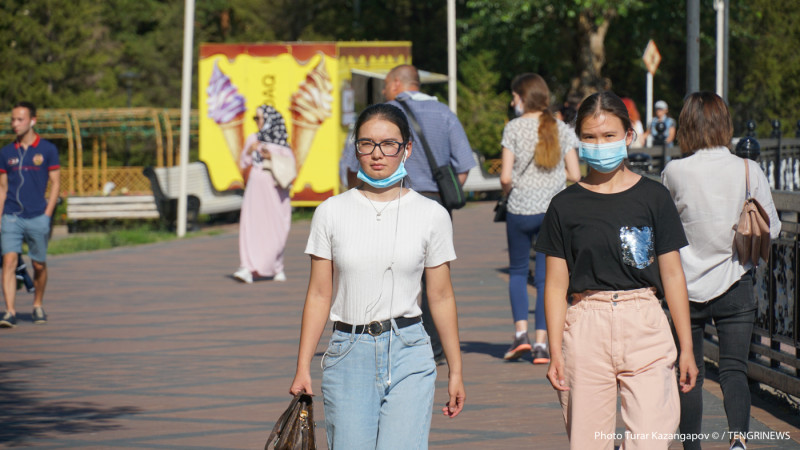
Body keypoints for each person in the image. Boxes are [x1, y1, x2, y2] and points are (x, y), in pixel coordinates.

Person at [290, 103, 465, 448]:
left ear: (407, 149)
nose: (377, 154)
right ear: (356, 148)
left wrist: (456, 370)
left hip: (410, 349)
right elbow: (320, 293)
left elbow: (441, 296)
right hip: (348, 351)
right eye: (367, 143)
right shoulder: (331, 212)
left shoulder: (432, 215)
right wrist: (302, 366)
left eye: (389, 144)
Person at [536, 91, 698, 449]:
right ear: (579, 141)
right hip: (584, 327)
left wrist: (686, 346)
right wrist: (555, 353)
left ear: (628, 136)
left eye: (609, 136)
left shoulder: (654, 198)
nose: (600, 144)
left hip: (645, 323)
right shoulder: (564, 206)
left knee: (650, 440)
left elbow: (672, 275)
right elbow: (554, 285)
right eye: (590, 137)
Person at [662, 92, 781, 450]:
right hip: (735, 282)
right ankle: (739, 441)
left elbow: (663, 231)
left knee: (689, 374)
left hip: (684, 289)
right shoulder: (748, 169)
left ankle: (692, 446)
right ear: (724, 124)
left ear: (686, 126)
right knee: (734, 370)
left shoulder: (674, 172)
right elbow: (772, 228)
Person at [341, 64, 475, 363]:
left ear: (397, 84)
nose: (385, 91)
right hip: (435, 202)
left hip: (386, 200)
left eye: (387, 85)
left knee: (384, 268)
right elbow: (464, 164)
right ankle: (435, 349)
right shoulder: (444, 113)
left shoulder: (381, 116)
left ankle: (381, 339)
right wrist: (443, 197)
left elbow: (353, 163)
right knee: (435, 282)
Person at [499, 73, 580, 365]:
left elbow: (506, 176)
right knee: (548, 280)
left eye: (514, 96)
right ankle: (543, 344)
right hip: (552, 213)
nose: (512, 102)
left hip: (520, 210)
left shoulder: (513, 128)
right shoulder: (561, 128)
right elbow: (575, 174)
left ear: (523, 97)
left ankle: (521, 335)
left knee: (519, 272)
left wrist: (511, 190)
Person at [0, 102, 60, 328]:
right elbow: (2, 188)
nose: (15, 124)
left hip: (38, 216)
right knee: (9, 261)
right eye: (12, 120)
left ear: (32, 121)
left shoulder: (47, 150)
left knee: (39, 265)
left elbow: (55, 183)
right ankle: (10, 312)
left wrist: (47, 214)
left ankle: (37, 304)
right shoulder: (6, 153)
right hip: (11, 215)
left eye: (20, 119)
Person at [232, 105, 294, 284]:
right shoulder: (253, 139)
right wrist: (251, 151)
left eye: (259, 118)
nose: (257, 122)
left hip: (276, 190)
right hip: (255, 187)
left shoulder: (281, 142)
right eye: (255, 118)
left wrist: (271, 156)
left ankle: (276, 266)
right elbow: (244, 161)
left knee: (276, 228)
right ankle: (247, 267)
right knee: (251, 225)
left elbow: (290, 167)